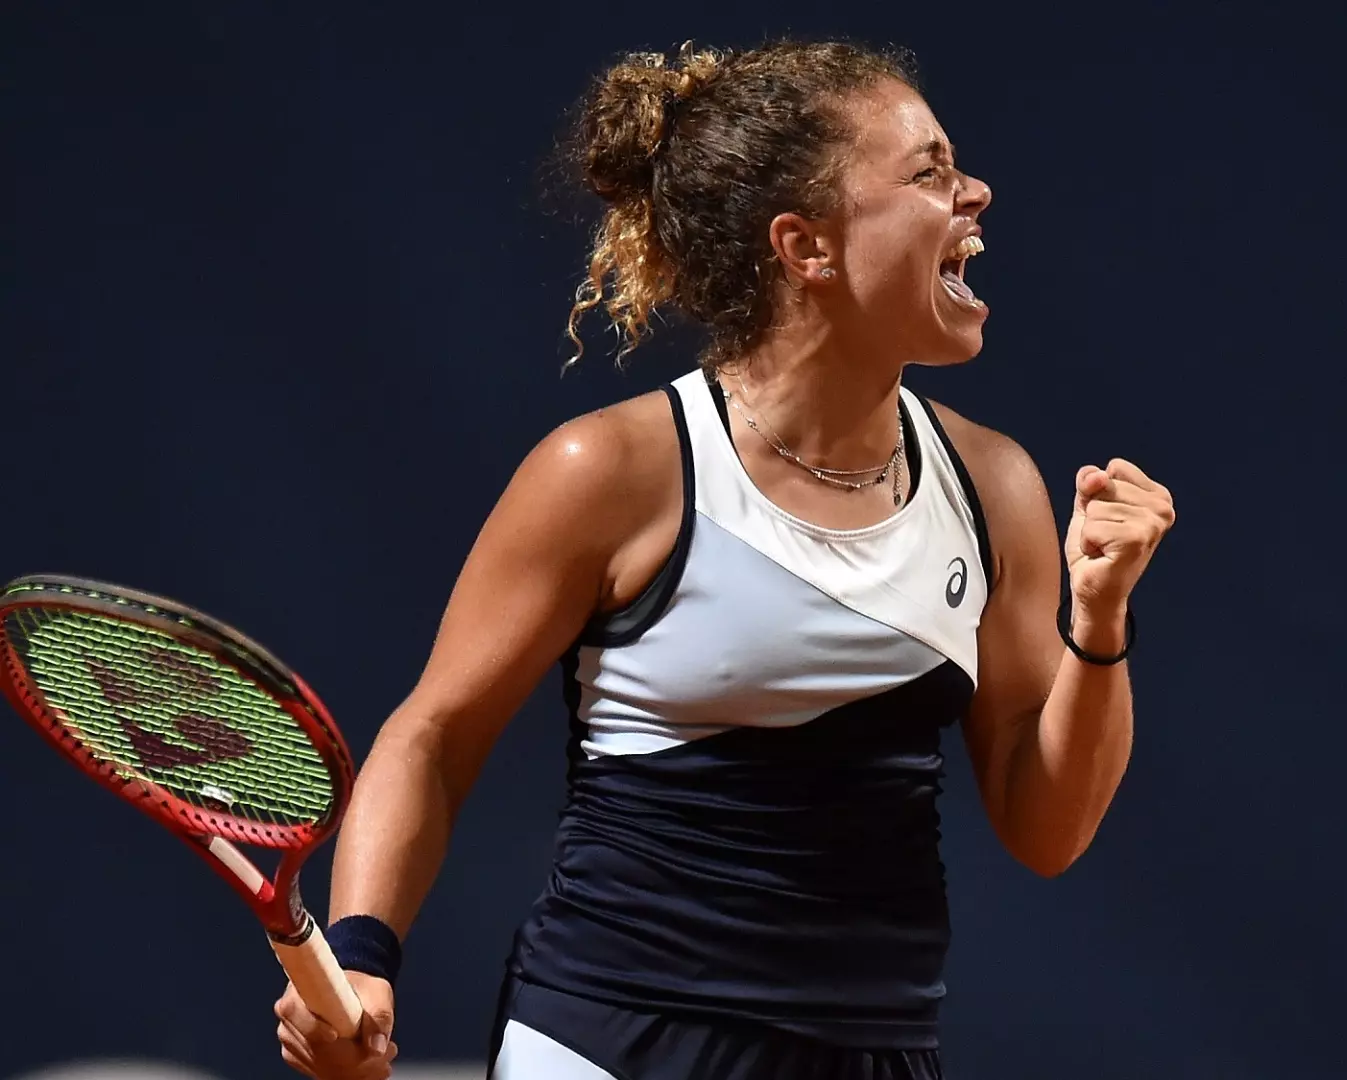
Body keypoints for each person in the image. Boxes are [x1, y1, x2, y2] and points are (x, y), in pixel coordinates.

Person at [273, 38, 1175, 1080]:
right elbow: (436, 733)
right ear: (807, 247)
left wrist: (1099, 626)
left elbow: (1047, 829)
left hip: (875, 1055)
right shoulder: (611, 470)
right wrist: (361, 954)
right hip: (609, 1043)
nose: (975, 191)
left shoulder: (993, 484)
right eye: (928, 172)